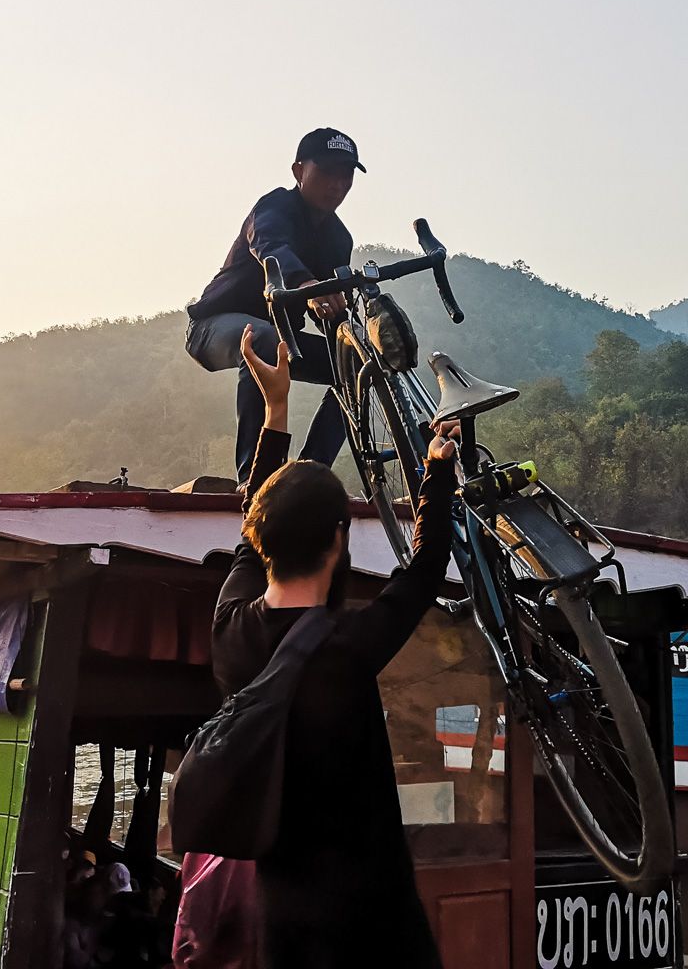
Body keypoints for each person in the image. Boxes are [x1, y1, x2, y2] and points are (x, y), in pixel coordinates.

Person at [209, 324, 454, 969]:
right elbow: (426, 566)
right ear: (340, 540)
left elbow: (248, 529)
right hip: (373, 922)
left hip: (283, 923)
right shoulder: (343, 651)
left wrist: (276, 410)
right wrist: (437, 466)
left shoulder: (231, 631)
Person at [185, 128, 365, 483]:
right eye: (327, 171)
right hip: (212, 328)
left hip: (284, 341)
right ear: (298, 171)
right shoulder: (275, 206)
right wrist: (306, 284)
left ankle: (308, 476)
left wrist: (346, 326)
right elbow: (270, 245)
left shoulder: (339, 238)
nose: (337, 184)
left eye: (346, 174)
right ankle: (255, 477)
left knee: (355, 363)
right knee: (263, 338)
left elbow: (330, 312)